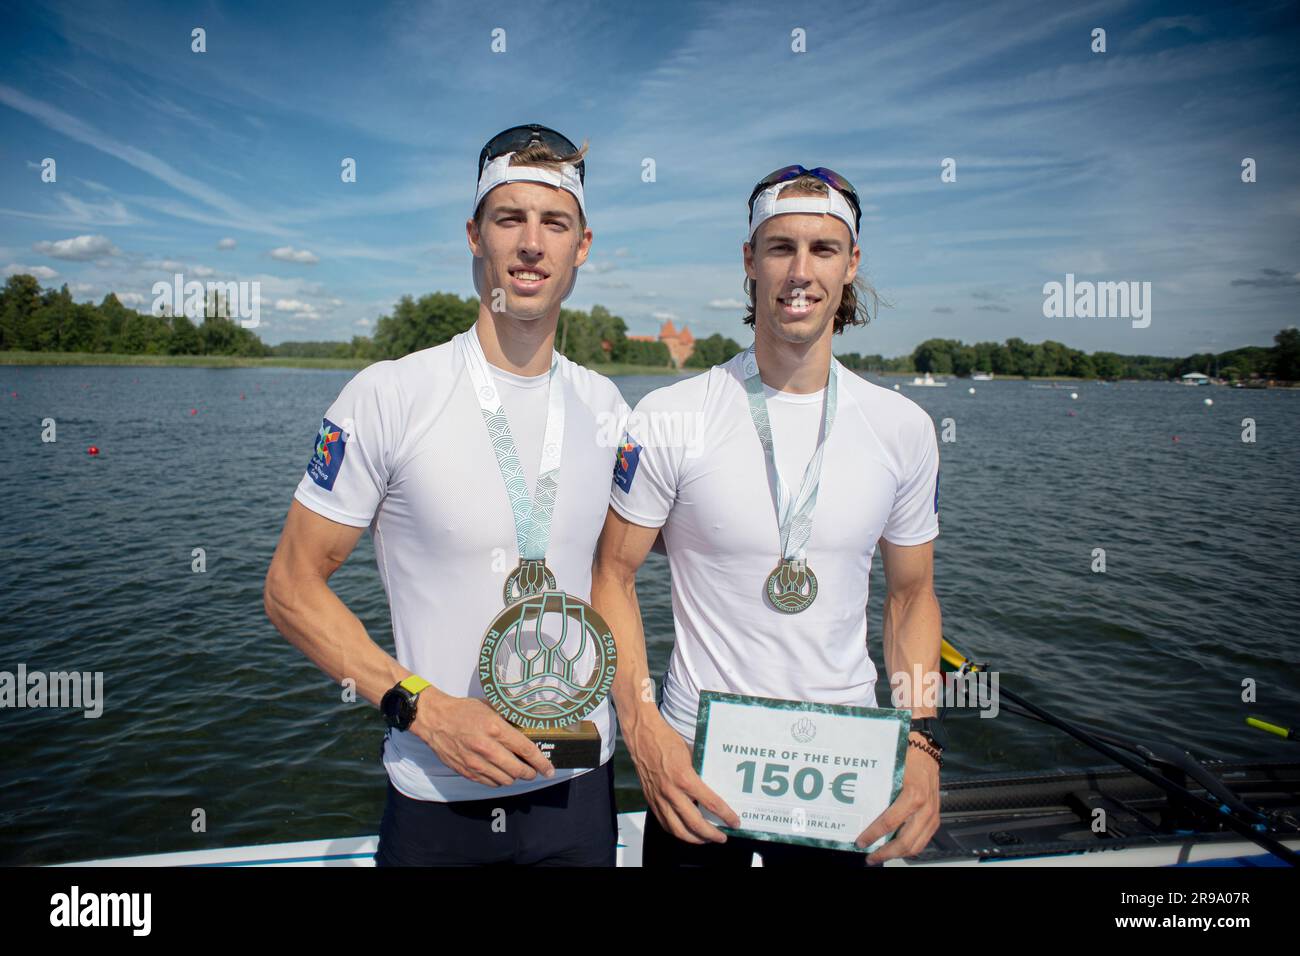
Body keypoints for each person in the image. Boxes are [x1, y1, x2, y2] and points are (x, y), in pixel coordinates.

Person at [264, 124, 626, 866]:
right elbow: (290, 590)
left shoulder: (609, 408)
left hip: (582, 792)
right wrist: (420, 707)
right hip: (438, 798)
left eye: (554, 222)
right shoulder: (389, 394)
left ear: (582, 245)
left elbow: (622, 580)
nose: (532, 243)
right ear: (474, 235)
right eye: (509, 218)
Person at [592, 165, 945, 867]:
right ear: (750, 262)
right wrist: (644, 729)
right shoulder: (671, 417)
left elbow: (911, 597)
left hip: (843, 770)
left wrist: (924, 738)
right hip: (695, 761)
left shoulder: (902, 427)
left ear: (851, 265)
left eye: (823, 249)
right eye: (780, 247)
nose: (800, 271)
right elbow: (611, 577)